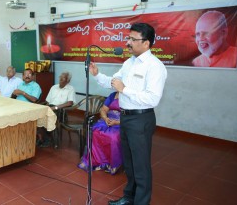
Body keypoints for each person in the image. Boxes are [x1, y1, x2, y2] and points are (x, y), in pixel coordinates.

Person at [90, 23, 167, 205]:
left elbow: (153, 98)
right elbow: (113, 82)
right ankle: (129, 198)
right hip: (126, 117)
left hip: (141, 118)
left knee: (141, 165)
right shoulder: (128, 62)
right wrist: (97, 74)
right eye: (128, 38)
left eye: (133, 39)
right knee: (130, 163)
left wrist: (125, 90)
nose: (128, 42)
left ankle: (141, 202)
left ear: (146, 43)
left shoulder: (155, 66)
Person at [78, 91, 122, 175]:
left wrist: (116, 122)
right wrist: (105, 118)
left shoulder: (129, 96)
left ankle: (113, 164)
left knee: (113, 137)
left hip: (121, 123)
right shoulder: (113, 95)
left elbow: (130, 116)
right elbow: (103, 109)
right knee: (96, 132)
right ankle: (99, 162)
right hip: (107, 120)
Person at [38, 71, 76, 147]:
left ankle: (49, 140)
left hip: (60, 109)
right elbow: (47, 101)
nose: (60, 79)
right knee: (38, 115)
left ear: (67, 81)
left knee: (49, 117)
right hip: (50, 107)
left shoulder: (70, 89)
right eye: (60, 77)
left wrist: (55, 107)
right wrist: (44, 107)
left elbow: (70, 103)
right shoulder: (54, 87)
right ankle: (41, 138)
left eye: (63, 78)